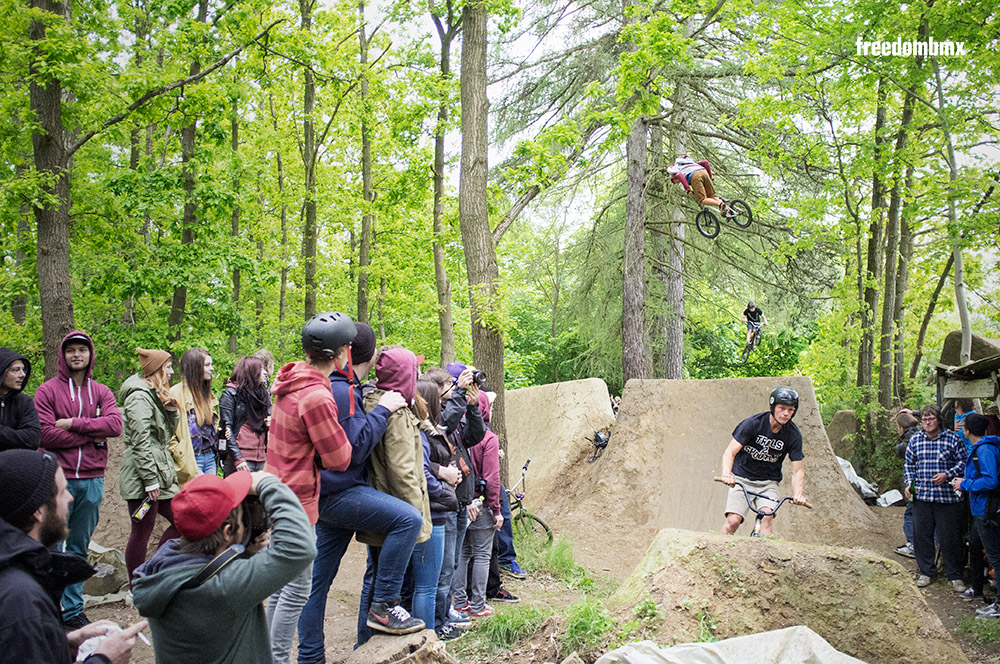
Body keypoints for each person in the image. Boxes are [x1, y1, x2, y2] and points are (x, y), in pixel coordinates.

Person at [297, 323, 420, 664]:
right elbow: (353, 448)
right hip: (339, 493)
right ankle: (384, 605)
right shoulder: (342, 391)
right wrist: (383, 410)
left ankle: (312, 657)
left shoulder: (348, 385)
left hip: (329, 493)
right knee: (408, 519)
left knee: (316, 584)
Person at [132, 469, 316, 662]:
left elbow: (209, 568)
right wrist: (267, 484)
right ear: (228, 532)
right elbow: (300, 549)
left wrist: (243, 552)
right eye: (242, 519)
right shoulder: (223, 589)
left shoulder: (164, 566)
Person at [0, 448, 146, 664]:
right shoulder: (22, 600)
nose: (69, 498)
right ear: (38, 511)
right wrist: (104, 659)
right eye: (62, 492)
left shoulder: (17, 573)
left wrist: (64, 642)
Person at [264, 312, 354, 664]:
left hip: (277, 493)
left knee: (281, 587)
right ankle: (276, 659)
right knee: (298, 589)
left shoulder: (290, 381)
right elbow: (339, 457)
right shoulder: (317, 395)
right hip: (297, 502)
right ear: (340, 354)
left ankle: (265, 655)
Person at [35, 331, 124, 628]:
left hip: (93, 480)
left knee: (79, 546)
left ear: (89, 356)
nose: (77, 355)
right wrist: (91, 436)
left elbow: (114, 424)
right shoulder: (47, 391)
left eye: (81, 351)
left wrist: (74, 424)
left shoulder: (101, 391)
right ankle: (50, 608)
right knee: (52, 546)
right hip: (57, 481)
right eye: (71, 350)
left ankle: (72, 610)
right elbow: (44, 433)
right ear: (63, 355)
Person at [356, 345, 432, 645]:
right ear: (404, 375)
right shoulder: (396, 414)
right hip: (397, 510)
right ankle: (372, 641)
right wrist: (420, 523)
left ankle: (364, 643)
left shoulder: (375, 402)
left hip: (381, 505)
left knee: (374, 579)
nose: (419, 375)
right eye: (415, 370)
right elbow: (404, 473)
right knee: (387, 586)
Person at [424, 363, 487, 634]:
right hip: (444, 502)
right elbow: (444, 426)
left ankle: (446, 612)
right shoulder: (434, 420)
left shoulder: (456, 412)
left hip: (460, 500)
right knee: (443, 568)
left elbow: (476, 436)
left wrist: (472, 407)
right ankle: (439, 623)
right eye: (451, 387)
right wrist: (459, 396)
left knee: (451, 564)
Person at [120, 348, 182, 580]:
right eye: (167, 367)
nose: (172, 371)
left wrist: (171, 410)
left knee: (183, 521)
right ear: (156, 370)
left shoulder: (154, 394)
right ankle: (137, 587)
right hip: (142, 479)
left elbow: (164, 435)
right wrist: (149, 481)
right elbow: (141, 441)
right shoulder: (138, 397)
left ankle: (155, 570)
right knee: (141, 530)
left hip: (160, 475)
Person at [719, 386, 807, 536]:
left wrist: (798, 494)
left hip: (768, 483)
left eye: (791, 410)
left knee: (767, 518)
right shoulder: (753, 424)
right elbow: (730, 452)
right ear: (773, 406)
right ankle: (717, 553)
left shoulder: (793, 435)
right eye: (782, 408)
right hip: (742, 479)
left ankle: (762, 558)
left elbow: (797, 470)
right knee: (733, 521)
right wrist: (727, 473)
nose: (786, 414)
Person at [415, 378, 464, 640]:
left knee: (438, 577)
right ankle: (429, 635)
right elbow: (421, 468)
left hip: (439, 507)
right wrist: (443, 485)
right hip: (433, 510)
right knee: (429, 584)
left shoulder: (430, 430)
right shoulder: (422, 433)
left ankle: (438, 622)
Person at [452, 390, 503, 620]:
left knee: (462, 553)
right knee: (482, 554)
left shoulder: (458, 433)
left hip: (460, 502)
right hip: (481, 503)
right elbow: (492, 478)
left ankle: (460, 603)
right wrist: (496, 509)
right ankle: (478, 605)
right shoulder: (488, 438)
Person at [904, 405, 967, 591]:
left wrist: (947, 474)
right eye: (924, 419)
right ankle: (926, 572)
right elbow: (909, 464)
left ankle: (955, 575)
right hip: (922, 496)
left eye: (931, 419)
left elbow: (963, 462)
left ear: (938, 420)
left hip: (946, 498)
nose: (928, 423)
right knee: (922, 535)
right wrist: (909, 484)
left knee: (950, 537)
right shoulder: (916, 439)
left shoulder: (952, 439)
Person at [951, 414, 1000, 618]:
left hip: (987, 510)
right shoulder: (983, 448)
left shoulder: (985, 449)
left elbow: (991, 481)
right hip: (980, 509)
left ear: (968, 431)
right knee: (974, 544)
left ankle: (998, 606)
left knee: (996, 558)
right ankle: (978, 588)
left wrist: (965, 484)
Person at [169, 348, 219, 482]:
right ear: (195, 367)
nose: (212, 369)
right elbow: (169, 431)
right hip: (190, 459)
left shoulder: (207, 393)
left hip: (210, 457)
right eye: (207, 365)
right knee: (198, 498)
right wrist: (179, 454)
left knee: (210, 498)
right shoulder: (175, 394)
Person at [220, 356, 270, 475]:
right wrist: (238, 459)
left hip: (261, 458)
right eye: (260, 369)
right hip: (241, 459)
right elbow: (227, 429)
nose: (265, 372)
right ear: (251, 372)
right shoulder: (231, 395)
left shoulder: (263, 396)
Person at [0, 348, 40, 450]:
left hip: (14, 463)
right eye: (16, 370)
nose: (22, 375)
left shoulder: (24, 402)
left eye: (23, 369)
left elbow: (33, 439)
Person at [893, 409, 921, 559]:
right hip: (920, 481)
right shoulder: (919, 434)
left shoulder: (909, 440)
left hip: (916, 483)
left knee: (911, 513)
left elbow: (899, 451)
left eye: (898, 427)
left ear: (902, 427)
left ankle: (912, 546)